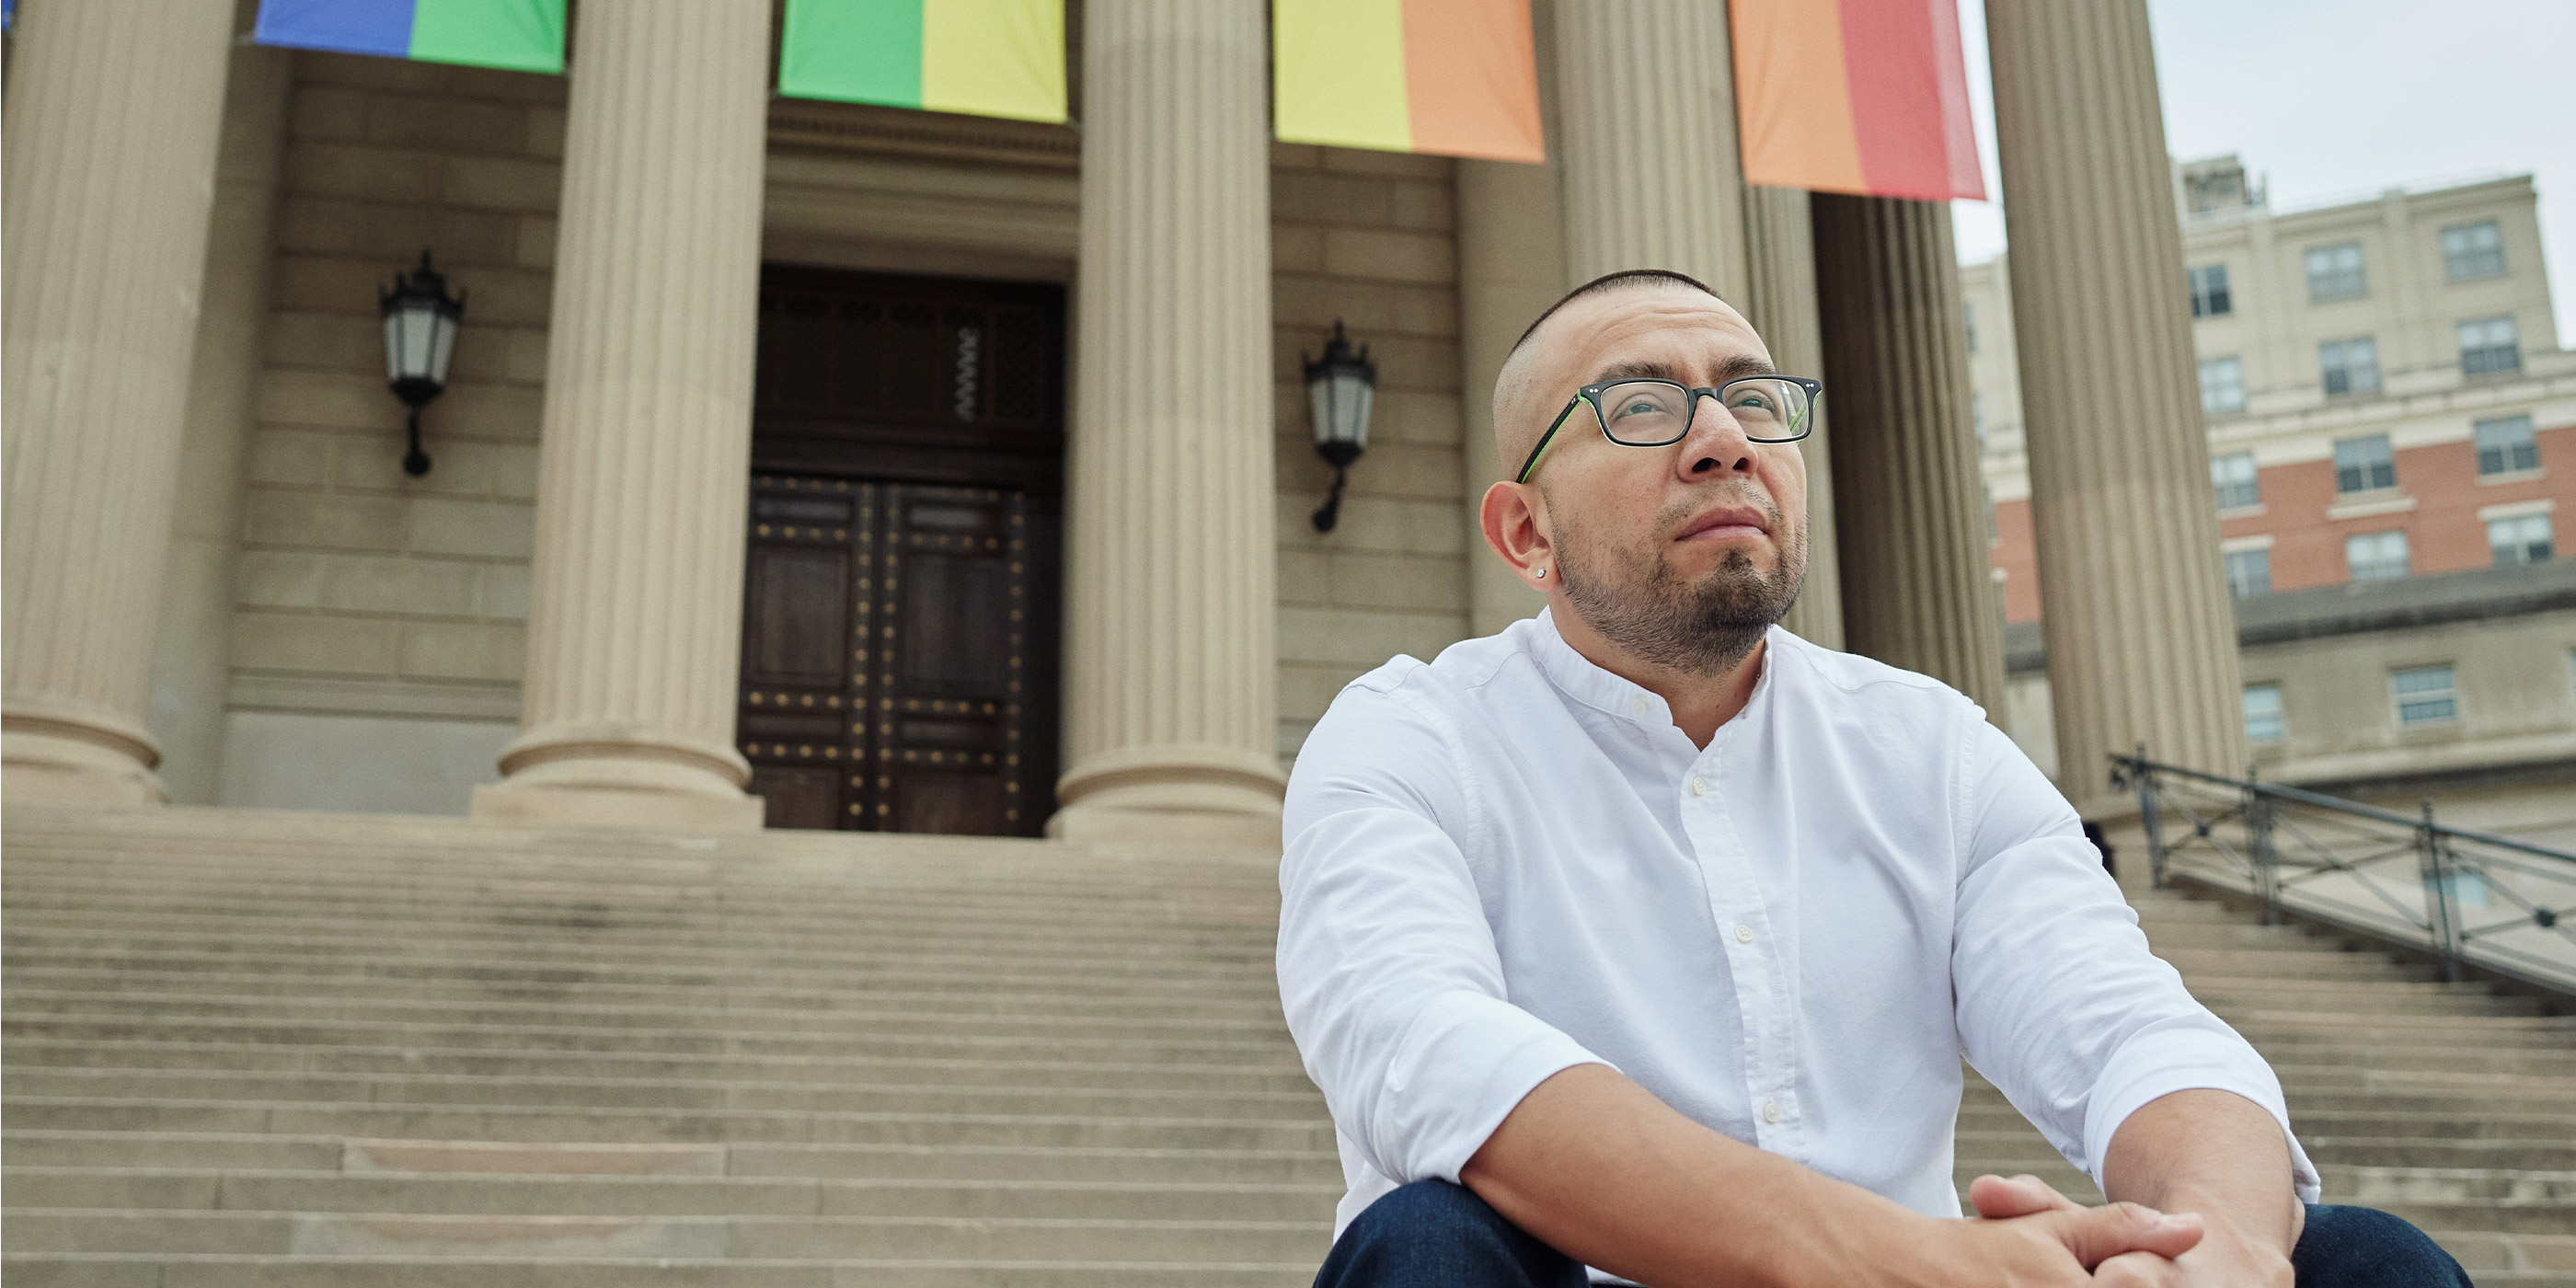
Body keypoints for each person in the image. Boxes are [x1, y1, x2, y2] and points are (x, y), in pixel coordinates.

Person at [1275, 270, 2471, 1288]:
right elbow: (1436, 1059)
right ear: (1525, 533)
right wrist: (1912, 1261)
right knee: (1425, 1241)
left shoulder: (1929, 746)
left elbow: (2129, 1035)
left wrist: (2215, 1253)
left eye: (1753, 399)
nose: (1722, 437)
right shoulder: (1410, 736)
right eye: (1640, 407)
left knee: (2360, 1259)